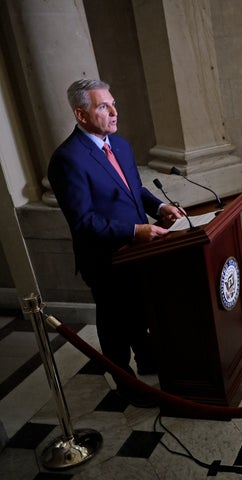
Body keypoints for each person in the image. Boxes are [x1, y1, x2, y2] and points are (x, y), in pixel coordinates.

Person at [47, 79, 185, 407]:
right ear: (81, 115)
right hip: (105, 259)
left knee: (140, 309)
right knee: (116, 323)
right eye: (103, 106)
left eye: (113, 103)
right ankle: (125, 382)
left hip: (138, 251)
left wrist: (159, 207)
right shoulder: (67, 159)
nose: (114, 111)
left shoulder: (119, 145)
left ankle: (149, 360)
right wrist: (134, 231)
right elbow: (83, 221)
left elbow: (133, 188)